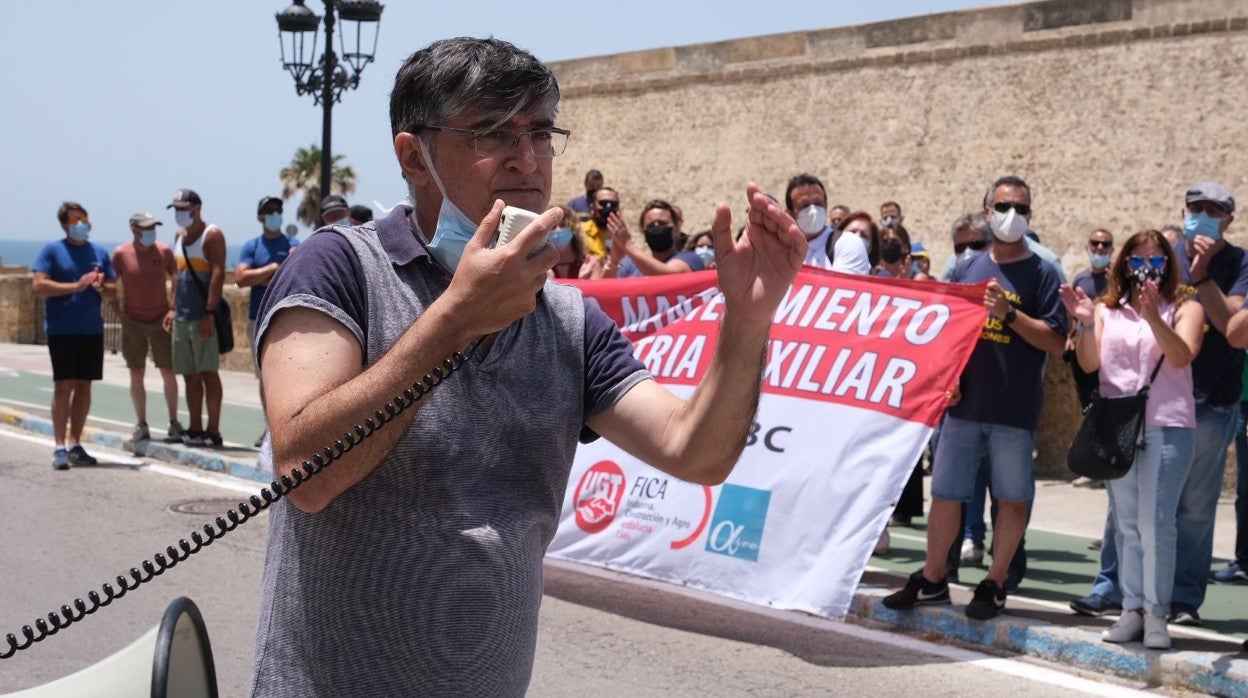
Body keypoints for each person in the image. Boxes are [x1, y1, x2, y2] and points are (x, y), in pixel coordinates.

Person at [247, 36, 805, 697]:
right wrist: (454, 322)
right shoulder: (340, 267)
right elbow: (305, 473)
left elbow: (696, 452)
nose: (527, 160)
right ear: (413, 156)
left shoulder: (569, 321)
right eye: (492, 133)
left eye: (541, 134)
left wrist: (746, 322)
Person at [883, 175, 1066, 620]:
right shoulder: (966, 267)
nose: (1012, 216)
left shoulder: (1043, 273)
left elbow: (1056, 341)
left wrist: (1009, 313)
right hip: (963, 407)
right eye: (1004, 206)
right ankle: (932, 579)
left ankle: (994, 583)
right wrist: (948, 378)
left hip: (1014, 410)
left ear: (1030, 216)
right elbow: (950, 331)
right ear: (987, 210)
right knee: (946, 495)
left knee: (1012, 498)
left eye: (1021, 209)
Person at [1072, 181, 1248, 625]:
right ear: (1183, 210)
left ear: (1229, 218)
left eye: (1214, 209)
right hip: (1139, 405)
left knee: (1192, 508)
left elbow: (1232, 328)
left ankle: (1182, 600)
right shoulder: (1162, 257)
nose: (1203, 215)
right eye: (1196, 207)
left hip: (1209, 400)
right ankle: (1112, 590)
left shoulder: (1240, 263)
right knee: (1124, 506)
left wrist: (1204, 274)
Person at [1061, 229, 1202, 649]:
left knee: (1156, 523)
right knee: (1126, 524)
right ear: (1124, 263)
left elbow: (1181, 355)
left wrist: (1154, 317)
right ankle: (1131, 609)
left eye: (1156, 257)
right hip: (1118, 423)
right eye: (1138, 257)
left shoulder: (1185, 306)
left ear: (1168, 264)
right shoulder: (1108, 309)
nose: (1147, 264)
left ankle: (1156, 614)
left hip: (1168, 422)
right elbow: (1090, 363)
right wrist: (1085, 323)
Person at [31, 201, 117, 469]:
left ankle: (75, 443)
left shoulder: (99, 252)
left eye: (83, 218)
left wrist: (103, 287)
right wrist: (75, 286)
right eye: (74, 220)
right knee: (63, 386)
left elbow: (114, 290)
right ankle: (58, 446)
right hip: (62, 329)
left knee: (84, 386)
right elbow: (39, 285)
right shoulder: (53, 250)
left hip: (91, 329)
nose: (80, 224)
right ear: (65, 225)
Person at [111, 212, 182, 444]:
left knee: (168, 371)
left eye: (154, 227)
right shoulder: (121, 254)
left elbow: (177, 276)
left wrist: (172, 308)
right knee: (136, 372)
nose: (151, 232)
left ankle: (173, 422)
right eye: (146, 228)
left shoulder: (163, 251)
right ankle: (141, 423)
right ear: (134, 229)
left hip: (161, 319)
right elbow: (111, 283)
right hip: (133, 320)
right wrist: (118, 311)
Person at [237, 196, 300, 447]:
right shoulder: (251, 247)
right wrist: (273, 268)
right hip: (258, 321)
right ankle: (270, 430)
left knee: (291, 376)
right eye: (269, 211)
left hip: (287, 320)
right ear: (260, 217)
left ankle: (290, 429)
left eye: (278, 210)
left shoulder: (294, 244)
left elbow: (297, 271)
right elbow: (242, 278)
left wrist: (263, 276)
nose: (275, 214)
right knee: (265, 378)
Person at [168, 188, 226, 448]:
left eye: (183, 208)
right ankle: (195, 427)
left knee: (208, 373)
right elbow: (177, 276)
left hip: (202, 316)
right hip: (181, 317)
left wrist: (209, 312)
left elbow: (218, 273)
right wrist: (171, 308)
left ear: (196, 208)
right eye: (176, 209)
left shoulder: (211, 235)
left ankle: (213, 430)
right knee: (189, 375)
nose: (179, 214)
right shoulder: (179, 236)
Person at [784, 174, 870, 274]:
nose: (813, 210)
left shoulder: (848, 243)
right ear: (790, 214)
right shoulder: (781, 252)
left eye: (818, 203)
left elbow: (844, 287)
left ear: (825, 207)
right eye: (805, 205)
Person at [603, 199, 705, 277]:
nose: (657, 227)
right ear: (643, 231)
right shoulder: (633, 266)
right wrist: (613, 262)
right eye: (651, 225)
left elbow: (668, 277)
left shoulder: (691, 259)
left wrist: (628, 245)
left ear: (676, 228)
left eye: (662, 223)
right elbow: (604, 292)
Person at [580, 185, 616, 259]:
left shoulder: (624, 239)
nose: (608, 207)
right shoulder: (581, 233)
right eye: (603, 203)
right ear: (592, 206)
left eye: (614, 204)